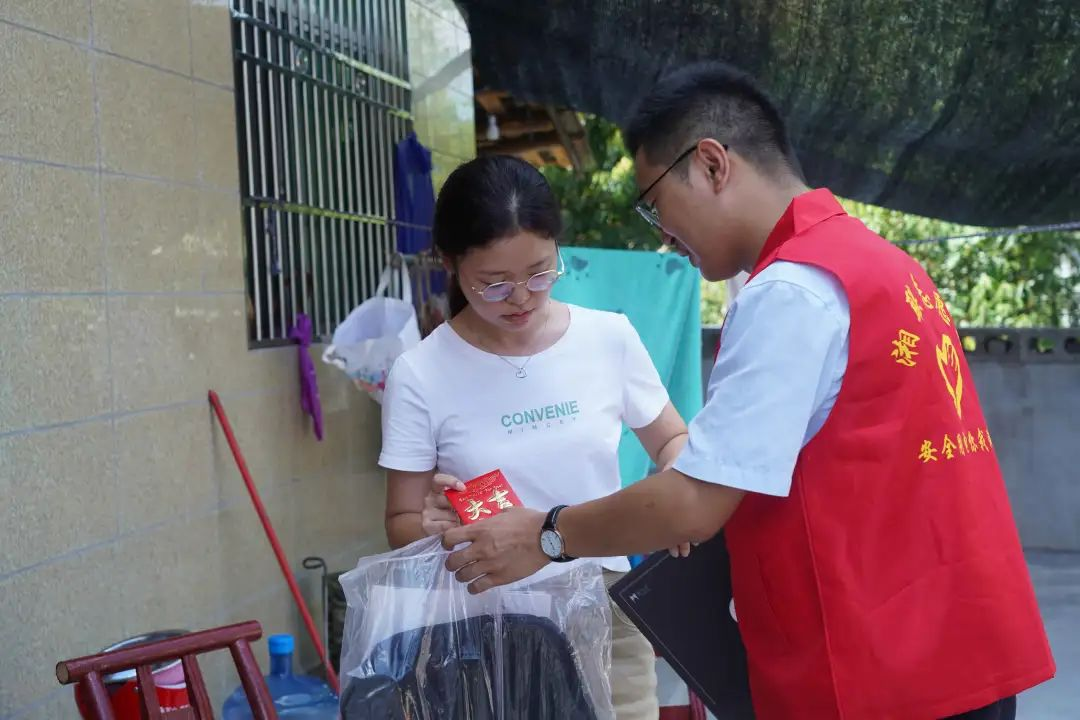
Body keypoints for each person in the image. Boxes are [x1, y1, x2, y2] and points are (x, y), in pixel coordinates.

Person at [440, 63, 1055, 720]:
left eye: (655, 203)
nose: (662, 235)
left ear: (711, 165)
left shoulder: (789, 291)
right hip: (958, 648)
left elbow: (693, 504)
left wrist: (546, 534)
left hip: (881, 673)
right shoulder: (886, 266)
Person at [379, 154, 690, 719]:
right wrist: (430, 527)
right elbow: (401, 521)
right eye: (494, 284)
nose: (521, 297)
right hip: (490, 623)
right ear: (450, 263)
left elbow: (670, 440)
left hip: (605, 602)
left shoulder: (608, 338)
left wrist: (680, 481)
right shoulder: (420, 373)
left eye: (540, 273)